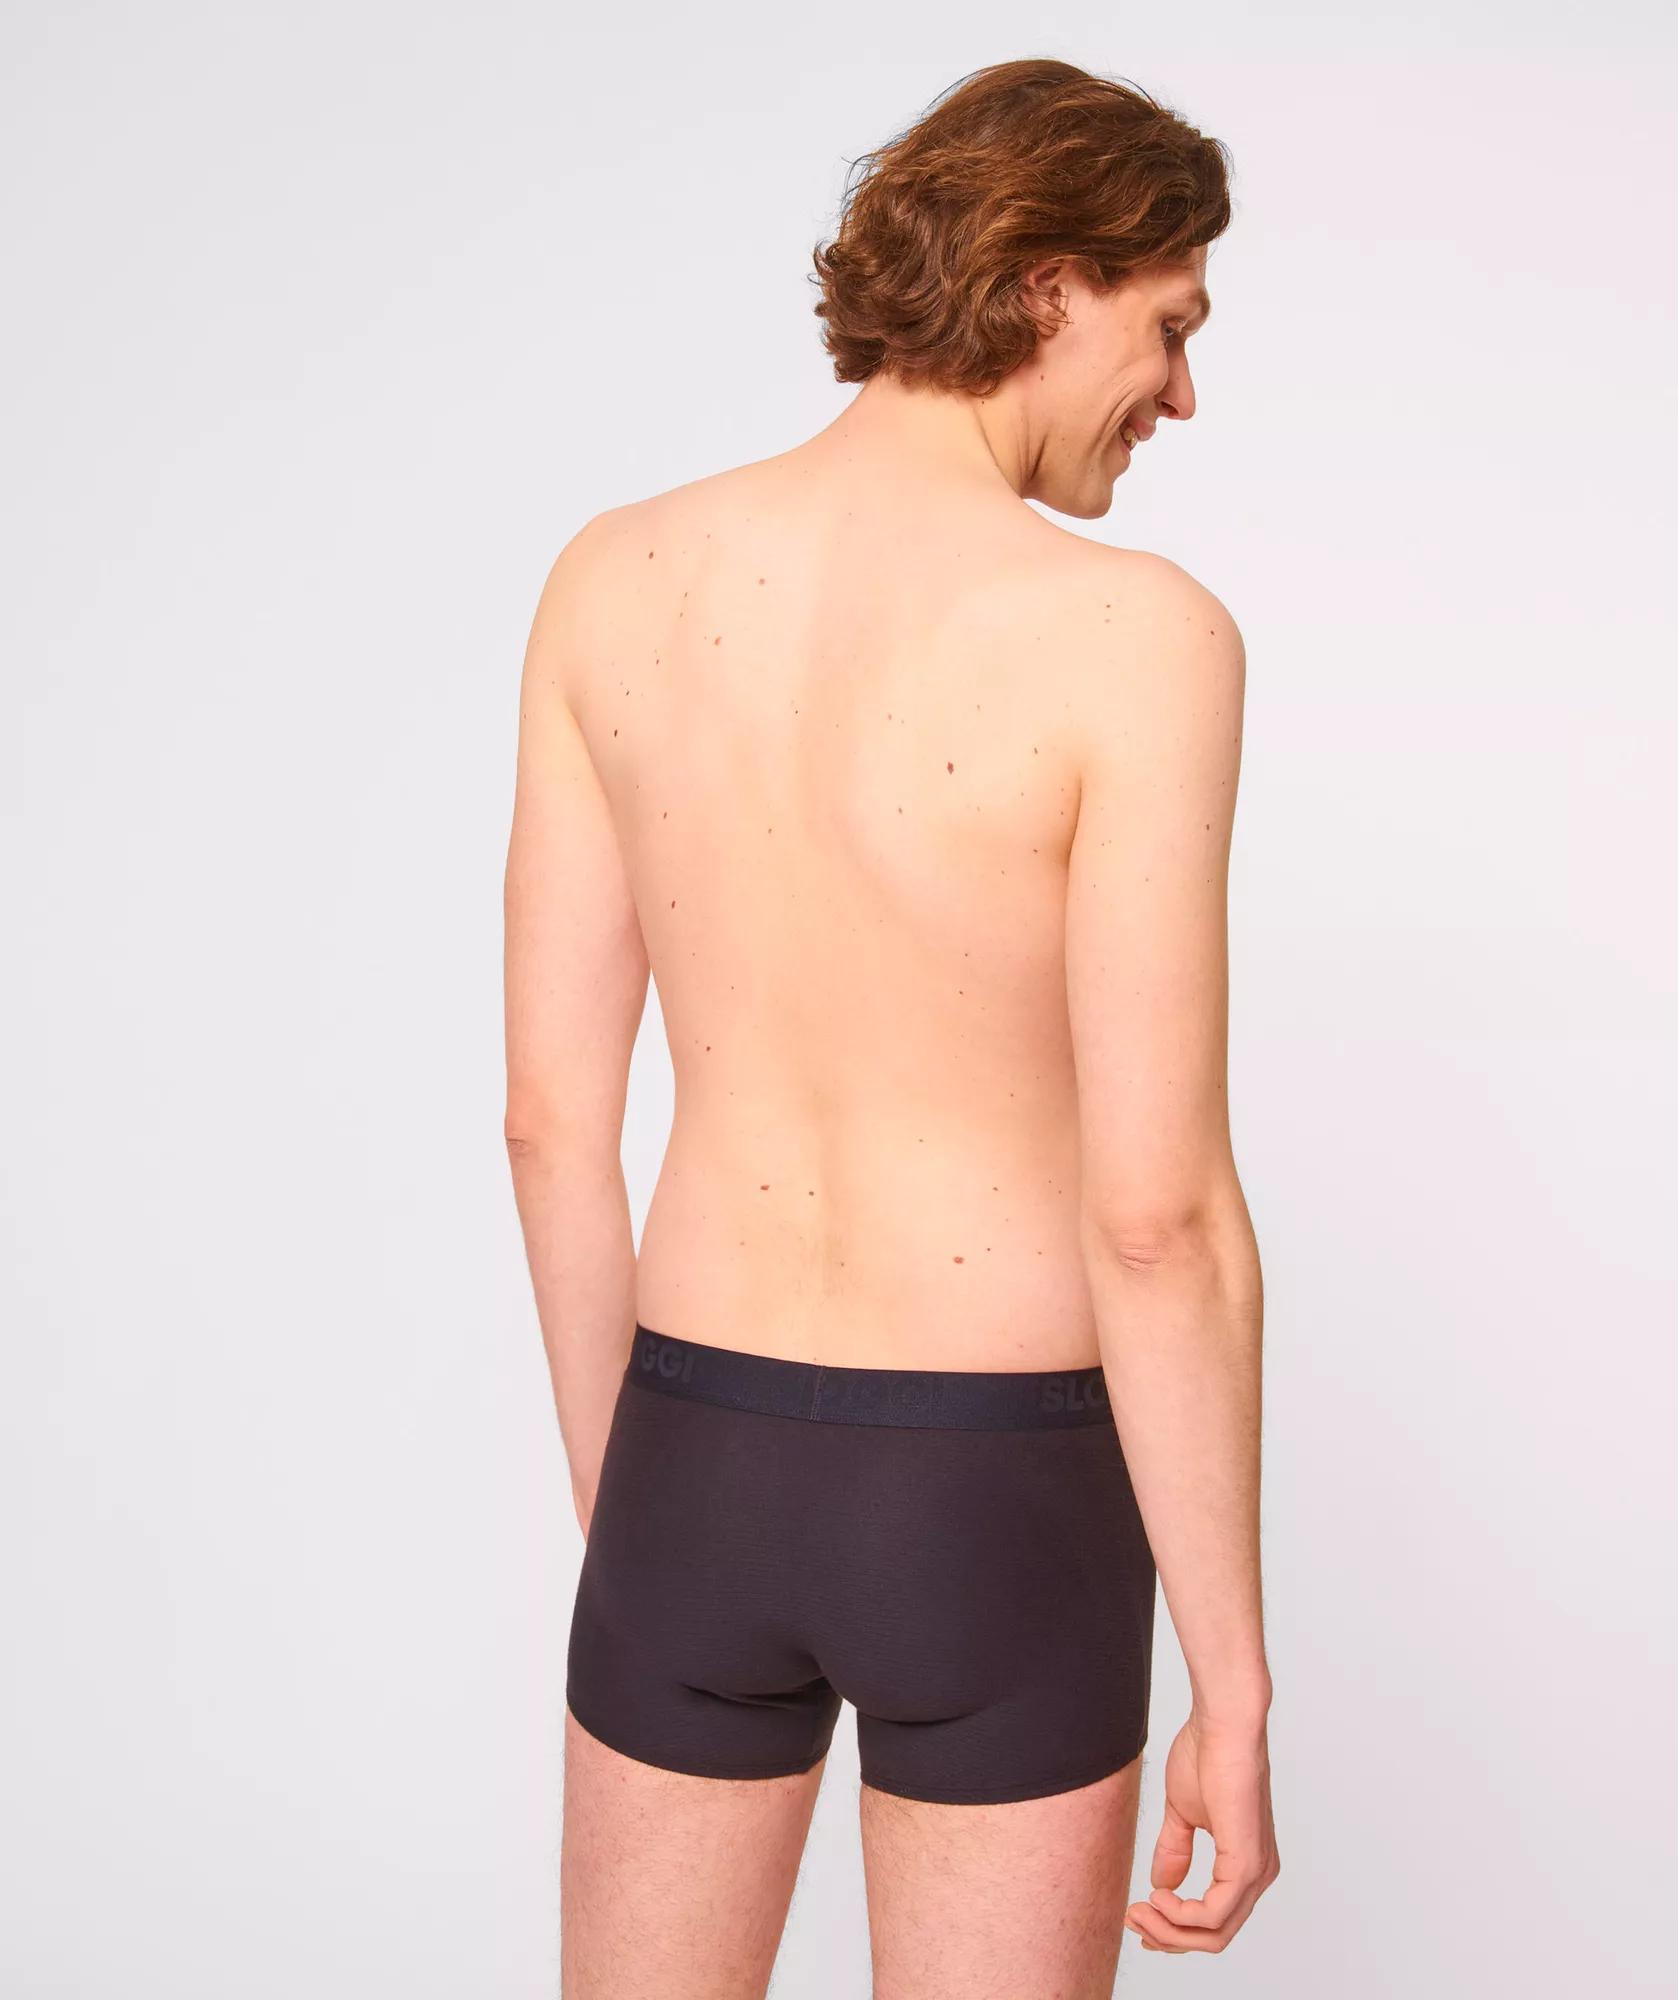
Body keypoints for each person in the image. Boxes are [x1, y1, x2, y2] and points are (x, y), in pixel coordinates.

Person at [502, 55, 1277, 1998]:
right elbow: (1157, 1220)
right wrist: (1235, 1680)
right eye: (1170, 326)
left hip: (690, 1453)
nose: (1181, 393)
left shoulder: (613, 579)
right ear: (1048, 283)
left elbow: (549, 1125)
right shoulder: (1140, 638)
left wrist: (639, 1525)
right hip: (994, 1487)